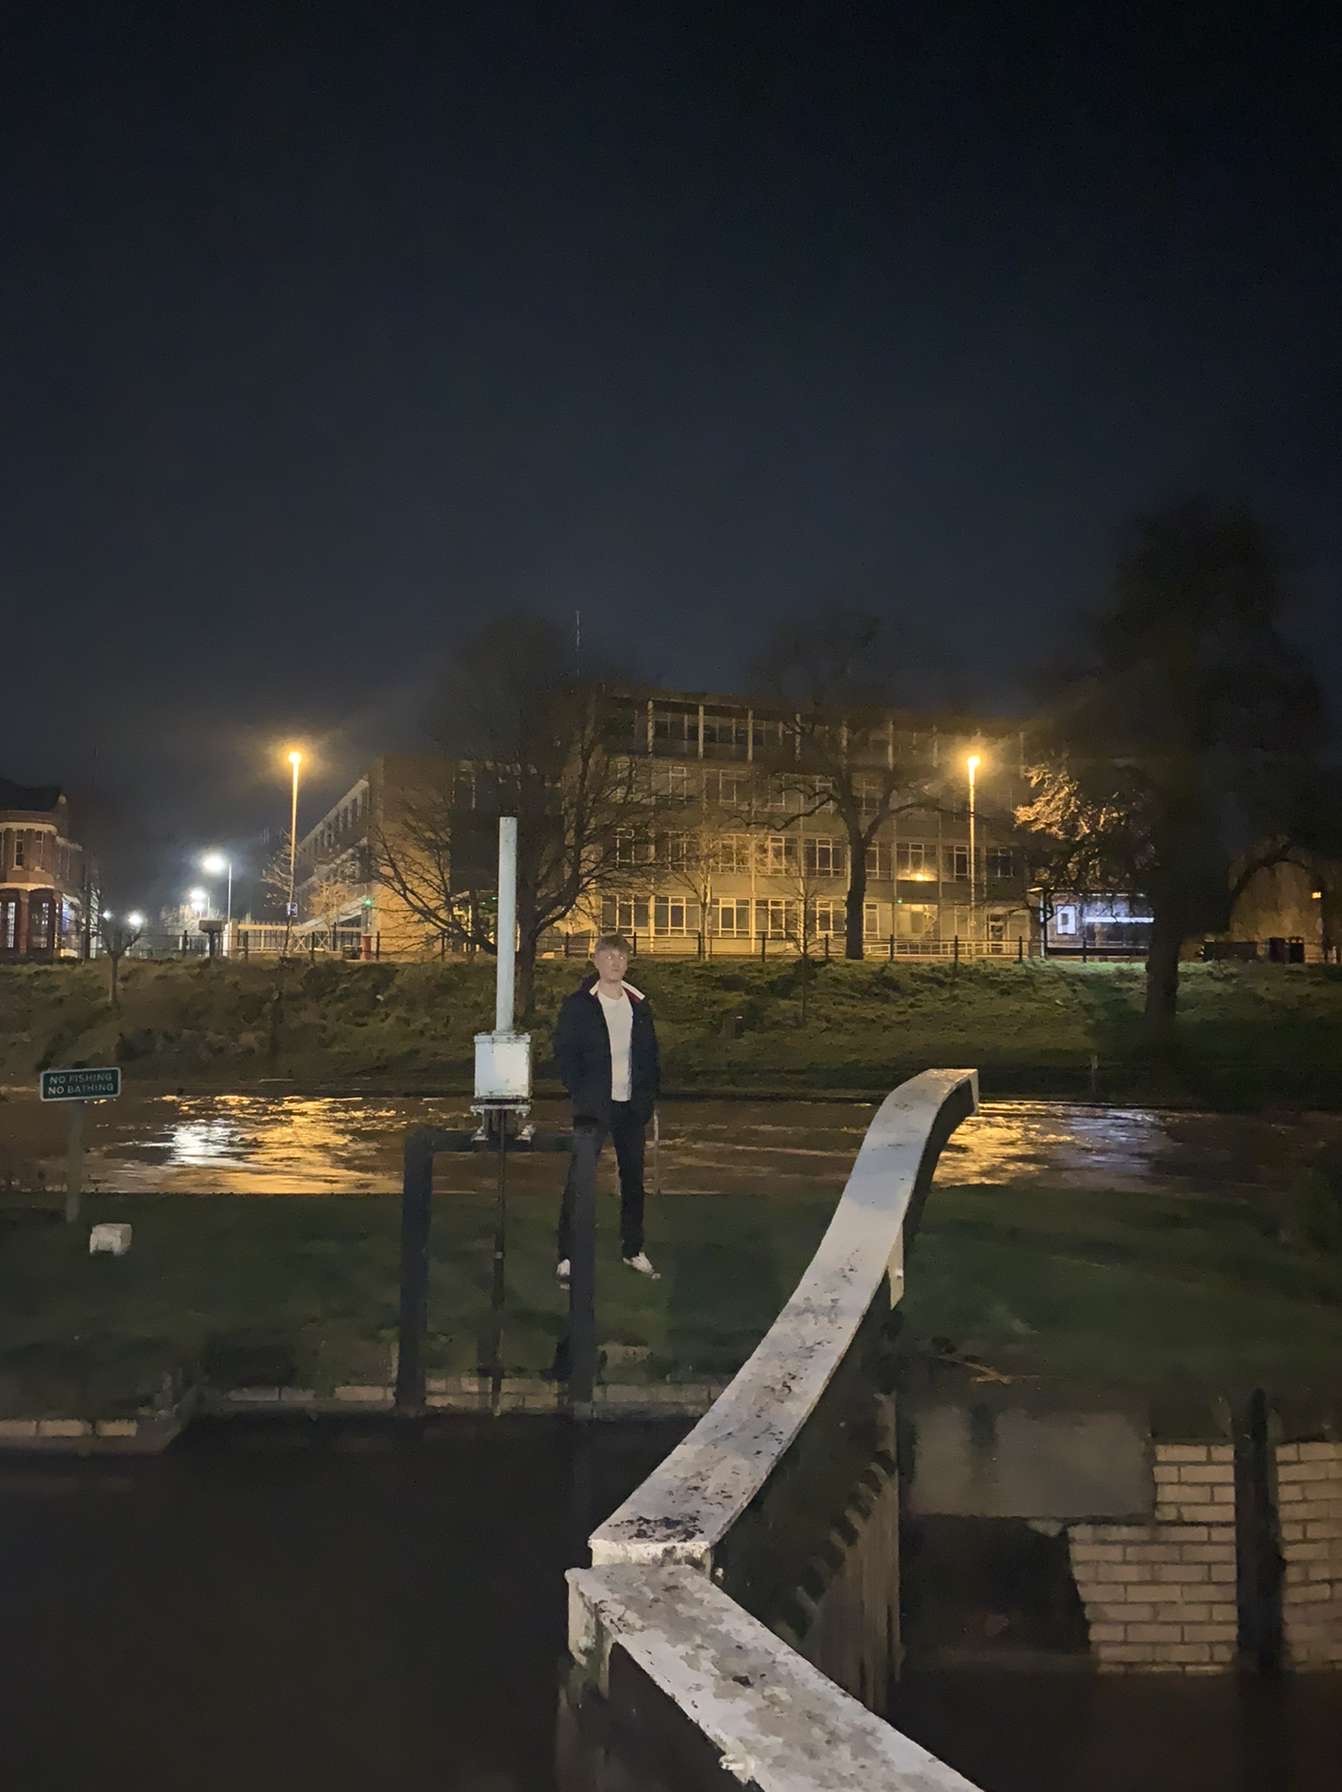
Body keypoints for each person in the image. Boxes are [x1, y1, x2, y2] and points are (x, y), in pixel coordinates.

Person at [553, 932, 660, 1282]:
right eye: (609, 955)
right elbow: (565, 1053)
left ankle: (633, 1249)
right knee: (579, 1179)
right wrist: (580, 1093)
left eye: (621, 956)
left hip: (630, 1106)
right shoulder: (581, 1004)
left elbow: (650, 1056)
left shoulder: (638, 1004)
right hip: (594, 1105)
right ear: (596, 960)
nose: (615, 962)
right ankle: (568, 1255)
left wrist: (646, 1100)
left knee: (633, 1180)